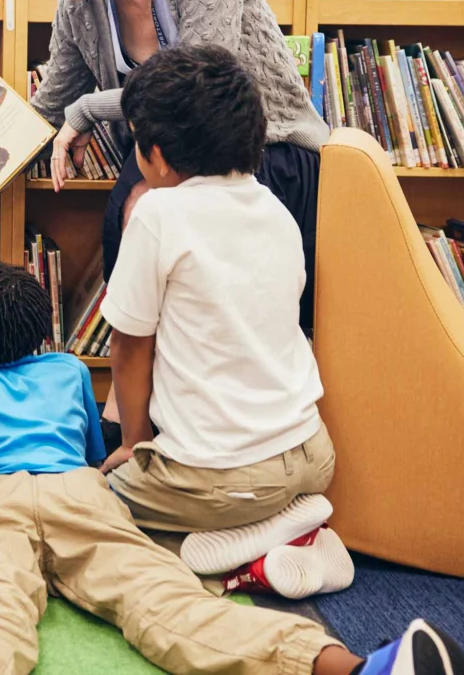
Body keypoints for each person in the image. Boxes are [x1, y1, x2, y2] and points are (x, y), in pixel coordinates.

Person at [0, 257, 464, 675]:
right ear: (41, 327)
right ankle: (346, 667)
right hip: (77, 490)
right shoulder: (66, 368)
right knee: (162, 598)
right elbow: (91, 453)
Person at [21, 0, 328, 316]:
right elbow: (44, 112)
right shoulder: (76, 7)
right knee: (131, 224)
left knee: (154, 217)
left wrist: (87, 110)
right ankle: (148, 377)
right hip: (163, 158)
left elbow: (200, 84)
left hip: (261, 148)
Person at [98, 45, 351, 598]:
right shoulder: (275, 208)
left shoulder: (158, 214)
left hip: (218, 480)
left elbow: (130, 345)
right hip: (312, 455)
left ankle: (242, 563)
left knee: (90, 505)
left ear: (157, 155)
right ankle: (295, 533)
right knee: (226, 490)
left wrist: (134, 447)